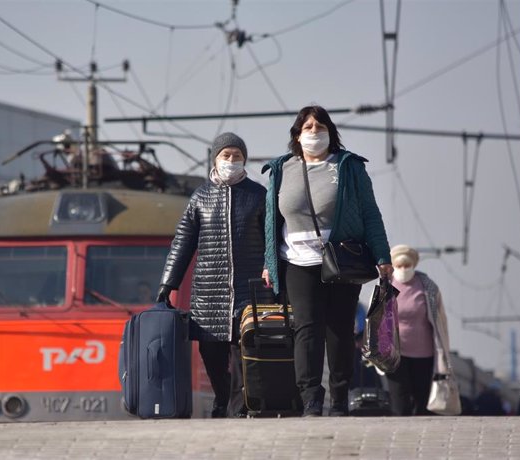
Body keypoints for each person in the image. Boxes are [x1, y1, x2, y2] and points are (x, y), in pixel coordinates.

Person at [261, 105, 392, 417]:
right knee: (306, 327)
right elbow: (270, 221)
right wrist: (269, 261)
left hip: (341, 259)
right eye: (308, 128)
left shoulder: (348, 167)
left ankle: (340, 396)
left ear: (331, 133)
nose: (314, 132)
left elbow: (370, 214)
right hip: (296, 260)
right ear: (297, 135)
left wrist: (383, 255)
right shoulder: (282, 169)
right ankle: (310, 397)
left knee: (340, 329)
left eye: (320, 127)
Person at [157, 132, 267, 418]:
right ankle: (222, 398)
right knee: (211, 354)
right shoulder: (200, 197)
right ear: (215, 159)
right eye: (226, 156)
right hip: (208, 293)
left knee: (244, 353)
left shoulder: (258, 195)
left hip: (249, 290)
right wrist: (168, 281)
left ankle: (238, 407)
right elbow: (183, 241)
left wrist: (274, 275)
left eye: (237, 156)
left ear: (245, 159)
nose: (232, 161)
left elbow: (272, 240)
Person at [386, 244, 454, 416]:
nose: (403, 269)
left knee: (422, 401)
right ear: (393, 266)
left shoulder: (428, 287)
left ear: (414, 265)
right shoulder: (385, 286)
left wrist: (445, 352)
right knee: (399, 401)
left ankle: (422, 434)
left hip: (424, 354)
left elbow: (441, 321)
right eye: (399, 266)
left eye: (406, 266)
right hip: (394, 353)